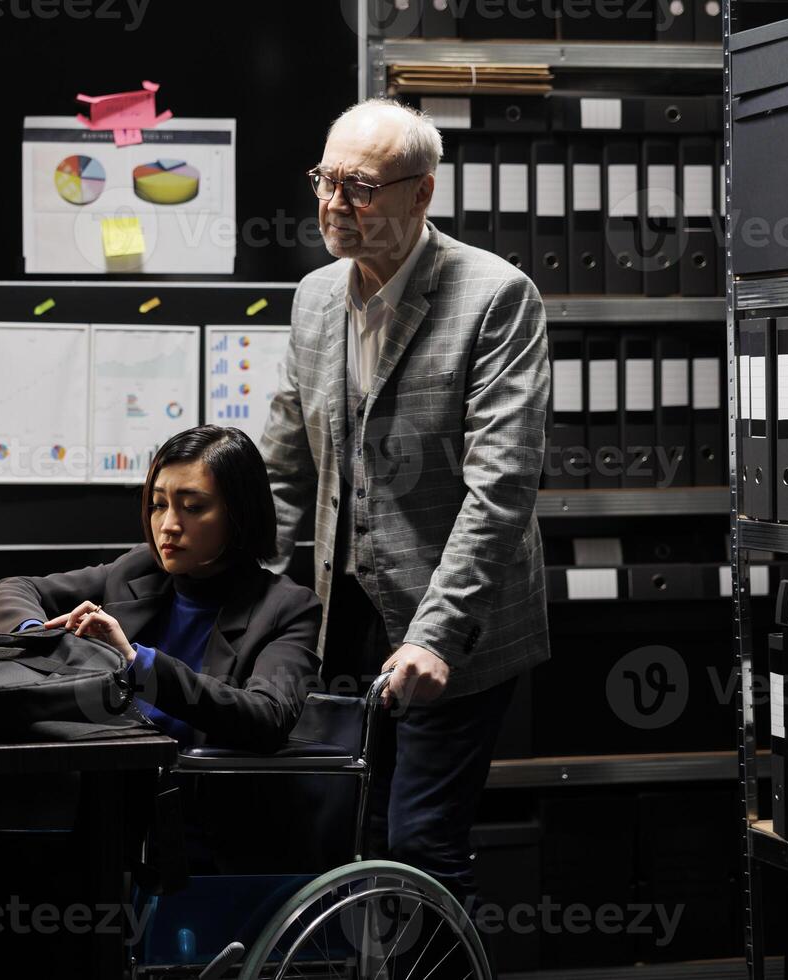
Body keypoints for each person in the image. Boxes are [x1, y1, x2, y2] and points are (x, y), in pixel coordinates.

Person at [259, 98, 551, 911]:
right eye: (325, 180)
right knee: (351, 831)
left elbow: (501, 489)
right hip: (340, 612)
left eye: (358, 187)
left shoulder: (495, 297)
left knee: (422, 843)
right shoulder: (316, 298)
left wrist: (435, 636)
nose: (333, 205)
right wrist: (244, 594)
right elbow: (288, 461)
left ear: (420, 194)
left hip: (452, 622)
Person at [0, 424, 322, 752]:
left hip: (202, 796)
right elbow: (14, 589)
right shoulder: (139, 568)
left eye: (193, 507)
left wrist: (137, 662)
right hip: (109, 778)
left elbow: (267, 718)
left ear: (240, 514)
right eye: (159, 505)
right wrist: (36, 635)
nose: (169, 526)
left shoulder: (287, 608)